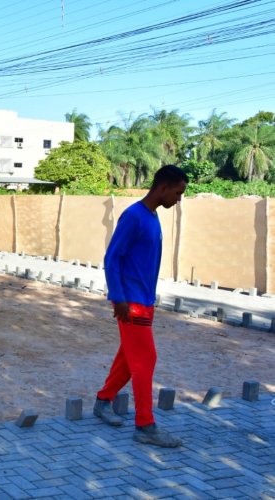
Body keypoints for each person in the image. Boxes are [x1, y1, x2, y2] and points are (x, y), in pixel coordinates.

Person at [93, 164, 188, 448]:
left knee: (129, 357)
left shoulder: (152, 216)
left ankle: (103, 401)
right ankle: (145, 426)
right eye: (178, 192)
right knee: (146, 360)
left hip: (144, 301)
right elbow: (112, 258)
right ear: (162, 187)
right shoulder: (134, 216)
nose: (178, 199)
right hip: (131, 303)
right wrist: (118, 297)